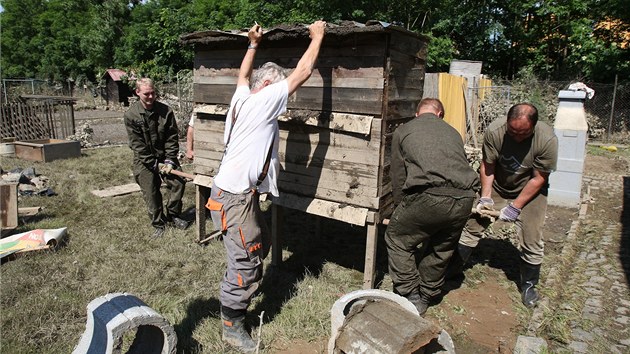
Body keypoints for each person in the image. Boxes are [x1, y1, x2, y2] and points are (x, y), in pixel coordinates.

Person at [205, 20, 326, 352]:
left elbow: (243, 76)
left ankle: (243, 282)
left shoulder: (243, 95)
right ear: (270, 84)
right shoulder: (262, 102)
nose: (287, 97)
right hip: (234, 198)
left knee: (262, 242)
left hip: (232, 194)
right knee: (247, 259)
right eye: (281, 89)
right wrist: (317, 38)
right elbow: (301, 72)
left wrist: (253, 44)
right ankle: (232, 324)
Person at [450, 102, 558, 308]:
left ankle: (528, 285)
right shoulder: (495, 131)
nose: (517, 137)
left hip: (531, 189)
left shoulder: (546, 140)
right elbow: (488, 165)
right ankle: (453, 269)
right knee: (472, 225)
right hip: (498, 184)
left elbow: (538, 179)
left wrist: (515, 207)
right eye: (513, 132)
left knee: (532, 236)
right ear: (507, 123)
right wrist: (486, 197)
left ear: (533, 128)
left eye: (523, 134)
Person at [384, 98, 480, 316]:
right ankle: (428, 293)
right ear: (440, 115)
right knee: (442, 247)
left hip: (428, 195)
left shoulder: (405, 130)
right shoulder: (453, 132)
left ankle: (410, 293)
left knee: (397, 238)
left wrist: (400, 206)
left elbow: (398, 173)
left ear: (418, 114)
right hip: (465, 197)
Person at [124, 78, 189, 238]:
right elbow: (137, 145)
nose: (151, 97)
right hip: (144, 159)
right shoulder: (131, 115)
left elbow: (172, 138)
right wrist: (154, 165)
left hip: (165, 156)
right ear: (137, 92)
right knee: (151, 192)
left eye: (153, 93)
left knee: (178, 183)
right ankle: (159, 224)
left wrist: (169, 160)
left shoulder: (166, 111)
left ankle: (173, 215)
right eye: (147, 94)